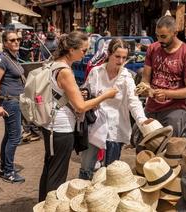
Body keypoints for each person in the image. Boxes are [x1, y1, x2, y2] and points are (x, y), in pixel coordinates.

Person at [38, 31, 118, 201]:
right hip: (60, 128)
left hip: (50, 125)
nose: (86, 54)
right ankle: (51, 206)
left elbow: (59, 92)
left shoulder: (55, 64)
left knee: (50, 168)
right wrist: (105, 95)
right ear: (71, 50)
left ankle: (42, 204)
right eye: (83, 50)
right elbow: (80, 107)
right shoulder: (65, 71)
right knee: (57, 175)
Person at [79, 38, 147, 180]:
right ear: (109, 54)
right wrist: (84, 92)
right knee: (86, 168)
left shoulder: (126, 77)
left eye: (124, 57)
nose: (121, 61)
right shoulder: (96, 72)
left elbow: (133, 102)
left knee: (111, 171)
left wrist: (142, 121)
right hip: (95, 125)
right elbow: (86, 90)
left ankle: (107, 200)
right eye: (117, 56)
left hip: (116, 128)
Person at [141, 15, 186, 137]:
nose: (160, 40)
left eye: (163, 36)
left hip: (174, 110)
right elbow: (145, 79)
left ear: (175, 33)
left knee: (170, 150)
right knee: (144, 150)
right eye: (157, 36)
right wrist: (146, 88)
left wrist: (167, 93)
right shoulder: (153, 48)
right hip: (151, 107)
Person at [0, 31, 26, 183]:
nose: (16, 42)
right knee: (15, 137)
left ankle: (5, 167)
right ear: (5, 43)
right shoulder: (2, 60)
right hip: (10, 102)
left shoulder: (13, 58)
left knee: (9, 136)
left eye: (18, 39)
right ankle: (9, 172)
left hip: (15, 101)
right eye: (12, 40)